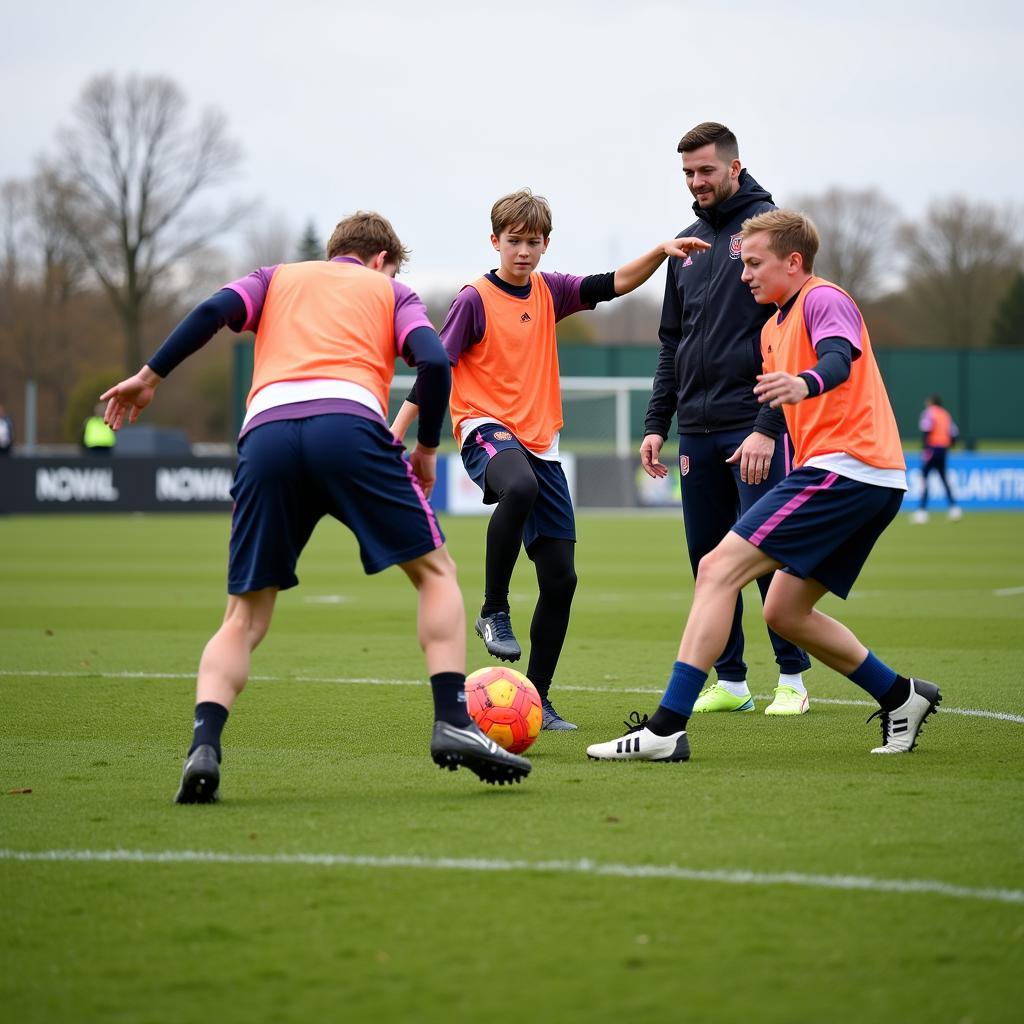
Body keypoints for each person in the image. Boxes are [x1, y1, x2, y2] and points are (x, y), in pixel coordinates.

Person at [99, 211, 532, 803]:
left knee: (243, 617)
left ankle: (204, 744)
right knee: (436, 575)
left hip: (266, 434)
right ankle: (452, 720)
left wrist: (150, 375)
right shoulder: (389, 289)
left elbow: (209, 312)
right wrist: (427, 447)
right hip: (349, 426)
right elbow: (432, 361)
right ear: (381, 259)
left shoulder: (274, 277)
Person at [587, 209, 941, 763]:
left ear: (793, 262)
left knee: (716, 568)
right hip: (859, 477)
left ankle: (665, 729)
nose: (745, 274)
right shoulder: (773, 326)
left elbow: (839, 358)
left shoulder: (824, 298)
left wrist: (804, 382)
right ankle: (902, 696)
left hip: (846, 470)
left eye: (754, 264)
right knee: (783, 612)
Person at [391, 189, 709, 730]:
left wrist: (659, 251)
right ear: (495, 241)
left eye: (532, 242)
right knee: (518, 487)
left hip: (544, 444)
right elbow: (434, 370)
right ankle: (493, 608)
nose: (522, 251)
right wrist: (397, 435)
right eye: (512, 241)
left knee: (561, 581)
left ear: (545, 244)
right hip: (485, 428)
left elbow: (613, 284)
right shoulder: (473, 299)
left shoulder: (548, 289)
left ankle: (536, 698)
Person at [642, 122, 812, 717]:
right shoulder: (685, 247)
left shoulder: (767, 233)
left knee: (763, 551)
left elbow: (790, 334)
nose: (696, 182)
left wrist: (770, 426)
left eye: (706, 171)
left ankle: (792, 677)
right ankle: (732, 680)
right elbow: (672, 342)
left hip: (754, 421)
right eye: (687, 173)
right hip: (697, 427)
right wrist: (657, 421)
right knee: (706, 556)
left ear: (735, 168)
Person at [911, 395, 962, 522]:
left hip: (932, 448)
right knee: (944, 478)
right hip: (943, 449)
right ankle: (954, 508)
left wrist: (925, 449)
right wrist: (950, 446)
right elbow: (954, 433)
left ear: (932, 402)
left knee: (924, 477)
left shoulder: (929, 413)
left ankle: (922, 511)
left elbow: (926, 430)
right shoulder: (945, 414)